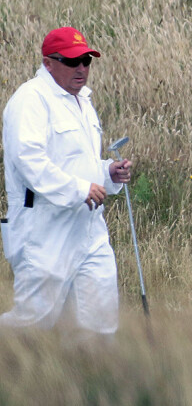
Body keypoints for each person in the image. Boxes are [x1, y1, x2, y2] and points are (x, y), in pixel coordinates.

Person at [0, 27, 132, 338]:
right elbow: (29, 161)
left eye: (87, 60)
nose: (82, 69)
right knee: (33, 322)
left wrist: (108, 173)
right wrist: (79, 189)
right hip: (44, 230)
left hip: (89, 229)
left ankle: (89, 381)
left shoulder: (83, 102)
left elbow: (80, 164)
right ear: (48, 63)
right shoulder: (29, 100)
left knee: (99, 322)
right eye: (73, 62)